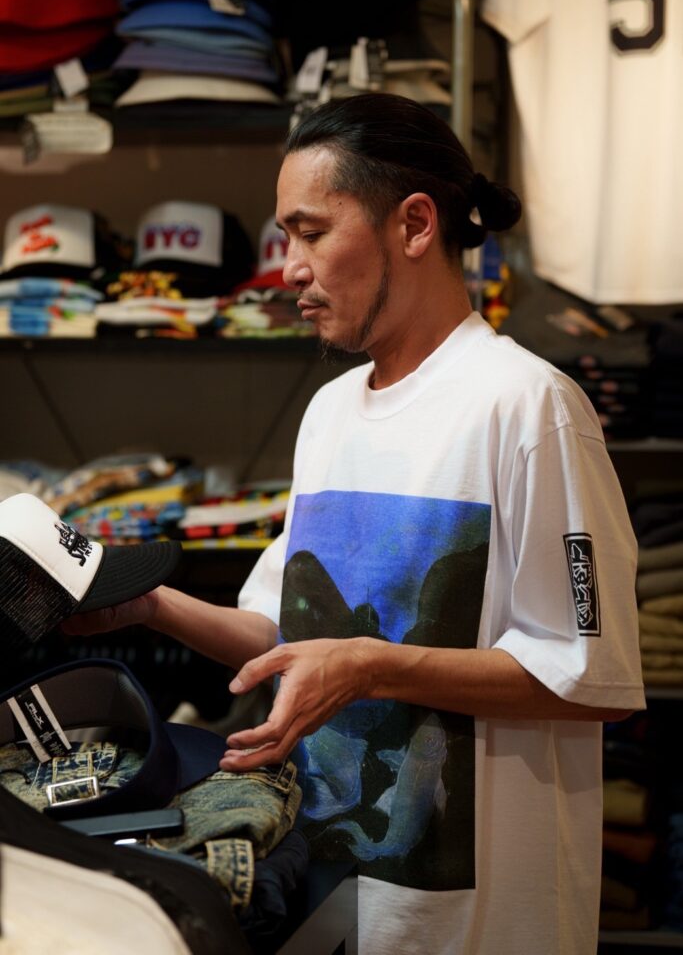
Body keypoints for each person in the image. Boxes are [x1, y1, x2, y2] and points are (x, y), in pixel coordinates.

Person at [63, 93, 646, 955]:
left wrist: (371, 667)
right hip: (329, 904)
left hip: (476, 926)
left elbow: (589, 677)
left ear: (413, 224)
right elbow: (285, 635)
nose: (289, 268)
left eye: (310, 232)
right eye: (284, 237)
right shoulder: (331, 413)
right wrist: (147, 606)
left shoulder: (527, 408)